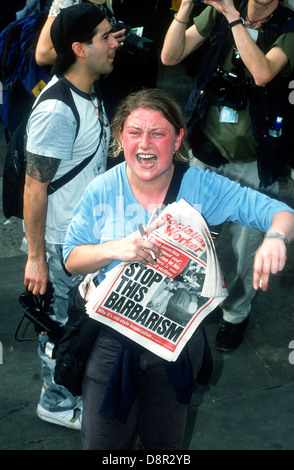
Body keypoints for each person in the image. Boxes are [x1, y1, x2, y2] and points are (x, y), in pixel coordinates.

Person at [62, 88, 294, 449]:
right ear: (120, 136)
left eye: (158, 133)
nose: (145, 144)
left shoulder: (201, 186)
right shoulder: (101, 189)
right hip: (109, 341)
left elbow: (280, 213)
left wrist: (276, 237)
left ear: (178, 138)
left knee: (165, 446)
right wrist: (117, 249)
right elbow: (71, 257)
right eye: (135, 132)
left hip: (175, 346)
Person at [161, 0, 294, 351]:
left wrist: (234, 18)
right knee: (198, 239)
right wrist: (187, 6)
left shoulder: (288, 25)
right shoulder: (220, 11)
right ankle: (206, 301)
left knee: (247, 247)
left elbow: (263, 72)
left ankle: (236, 313)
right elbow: (170, 57)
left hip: (254, 159)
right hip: (206, 152)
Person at [23, 3, 118, 429]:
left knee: (76, 325)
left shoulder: (89, 94)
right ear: (79, 48)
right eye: (105, 36)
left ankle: (69, 390)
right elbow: (34, 188)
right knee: (59, 329)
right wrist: (36, 257)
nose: (116, 41)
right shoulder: (59, 108)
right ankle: (57, 403)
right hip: (61, 244)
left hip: (81, 239)